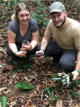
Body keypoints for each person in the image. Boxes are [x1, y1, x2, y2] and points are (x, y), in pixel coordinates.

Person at [36, 1, 80, 80]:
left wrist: (77, 70)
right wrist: (42, 50)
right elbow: (46, 38)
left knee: (65, 63)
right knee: (40, 49)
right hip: (59, 45)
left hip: (71, 49)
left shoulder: (76, 28)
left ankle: (70, 69)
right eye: (53, 16)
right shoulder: (51, 23)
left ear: (65, 13)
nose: (56, 19)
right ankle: (57, 59)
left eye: (59, 15)